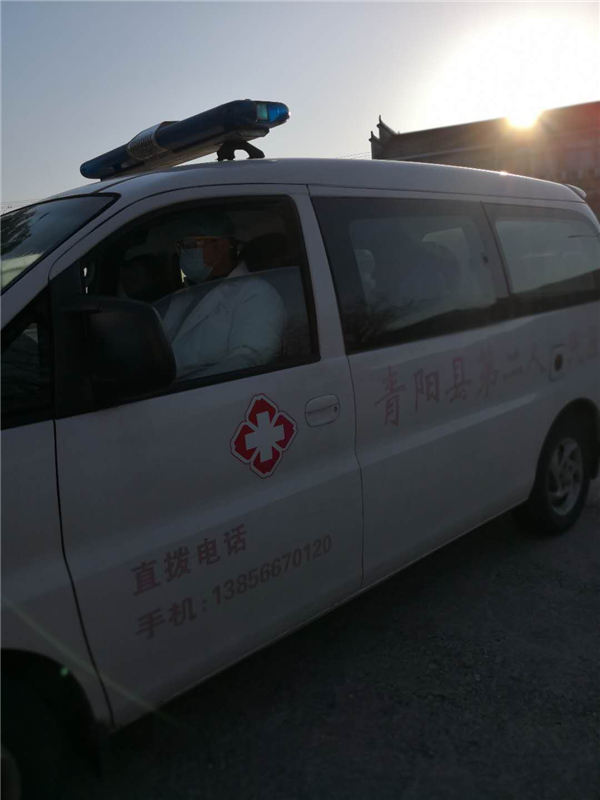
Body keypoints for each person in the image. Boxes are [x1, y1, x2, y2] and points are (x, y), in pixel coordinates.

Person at [157, 212, 287, 381]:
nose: (185, 252)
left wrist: (183, 389)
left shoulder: (257, 293)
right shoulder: (185, 295)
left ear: (222, 246)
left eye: (192, 244)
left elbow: (248, 359)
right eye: (181, 245)